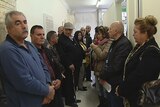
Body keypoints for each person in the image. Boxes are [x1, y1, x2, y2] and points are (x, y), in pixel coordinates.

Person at [0, 10, 55, 107]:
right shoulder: (7, 50)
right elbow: (24, 81)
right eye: (18, 23)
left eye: (25, 22)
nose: (24, 26)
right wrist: (47, 90)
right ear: (8, 28)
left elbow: (43, 66)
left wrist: (48, 84)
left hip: (41, 99)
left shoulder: (30, 45)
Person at [115, 15, 160, 107]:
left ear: (145, 33)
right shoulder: (140, 47)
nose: (133, 35)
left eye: (135, 32)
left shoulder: (151, 51)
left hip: (141, 99)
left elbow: (139, 77)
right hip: (134, 96)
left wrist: (121, 89)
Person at [100, 21, 132, 107]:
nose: (108, 31)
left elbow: (116, 66)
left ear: (116, 30)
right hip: (111, 81)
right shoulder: (115, 42)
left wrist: (102, 75)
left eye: (110, 29)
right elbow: (109, 60)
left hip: (116, 83)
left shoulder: (124, 44)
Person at [30, 25, 64, 107]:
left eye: (43, 35)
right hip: (43, 90)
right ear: (31, 36)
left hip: (55, 87)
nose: (42, 37)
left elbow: (55, 67)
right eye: (38, 35)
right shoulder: (29, 53)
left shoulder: (47, 50)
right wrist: (47, 84)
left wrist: (59, 79)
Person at [57, 22, 80, 107]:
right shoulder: (61, 40)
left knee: (73, 83)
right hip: (68, 65)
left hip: (74, 64)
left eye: (70, 30)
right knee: (69, 83)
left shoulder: (70, 38)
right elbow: (62, 54)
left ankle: (73, 98)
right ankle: (69, 100)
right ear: (64, 29)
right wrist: (69, 63)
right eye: (67, 30)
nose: (69, 31)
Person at [91, 26, 112, 107]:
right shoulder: (99, 42)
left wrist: (95, 48)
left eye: (99, 33)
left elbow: (103, 56)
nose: (97, 35)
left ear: (103, 34)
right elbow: (93, 54)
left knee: (104, 90)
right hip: (97, 69)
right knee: (98, 90)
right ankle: (101, 104)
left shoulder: (108, 43)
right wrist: (97, 53)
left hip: (103, 70)